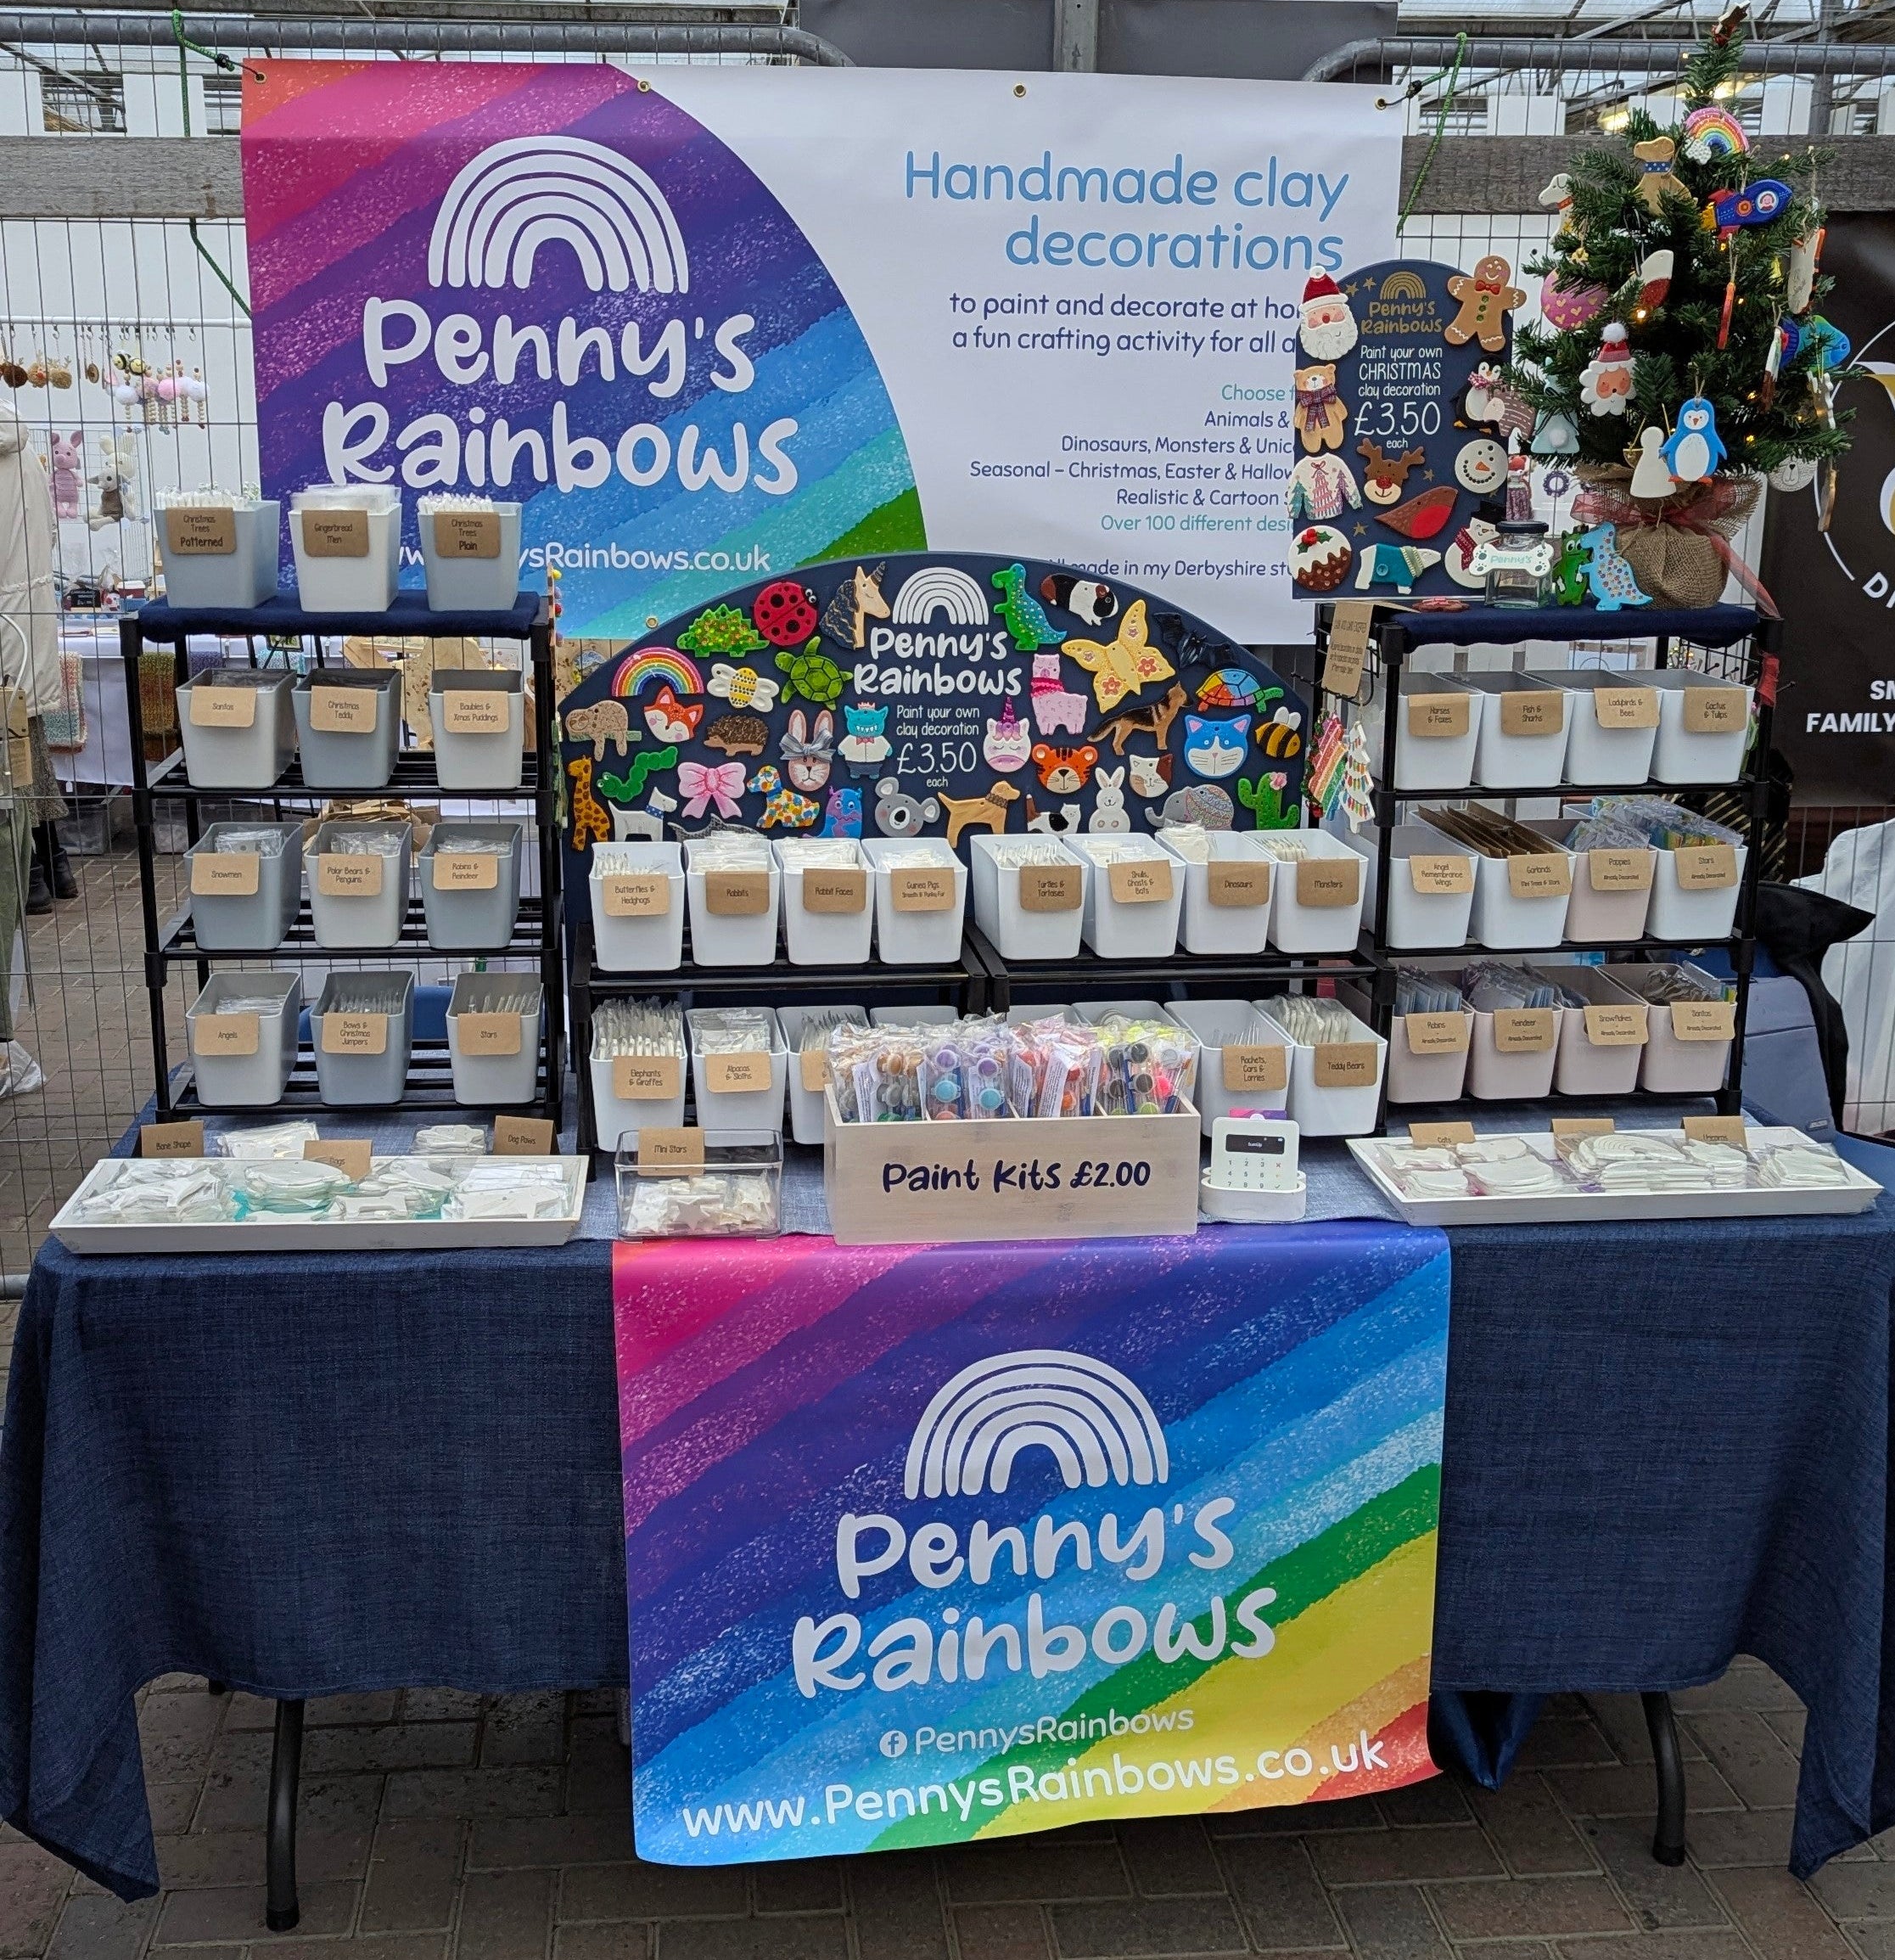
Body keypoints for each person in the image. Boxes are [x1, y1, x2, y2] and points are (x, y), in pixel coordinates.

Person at [0, 398, 59, 1095]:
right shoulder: (24, 445)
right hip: (18, 678)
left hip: (7, 680)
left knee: (11, 853)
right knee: (11, 855)